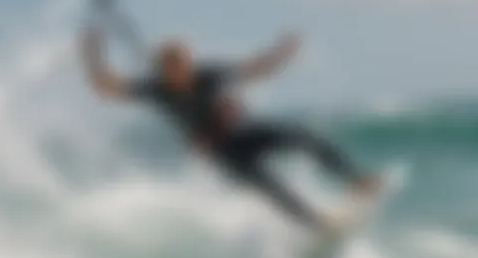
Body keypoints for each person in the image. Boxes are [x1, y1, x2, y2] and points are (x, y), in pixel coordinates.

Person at [79, 23, 381, 233]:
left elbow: (253, 69)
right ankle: (318, 226)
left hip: (242, 133)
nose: (182, 70)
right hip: (222, 153)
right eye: (174, 66)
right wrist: (93, 54)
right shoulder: (157, 89)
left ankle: (356, 180)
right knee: (271, 188)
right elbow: (106, 87)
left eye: (185, 63)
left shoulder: (207, 74)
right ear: (164, 69)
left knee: (303, 138)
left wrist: (281, 52)